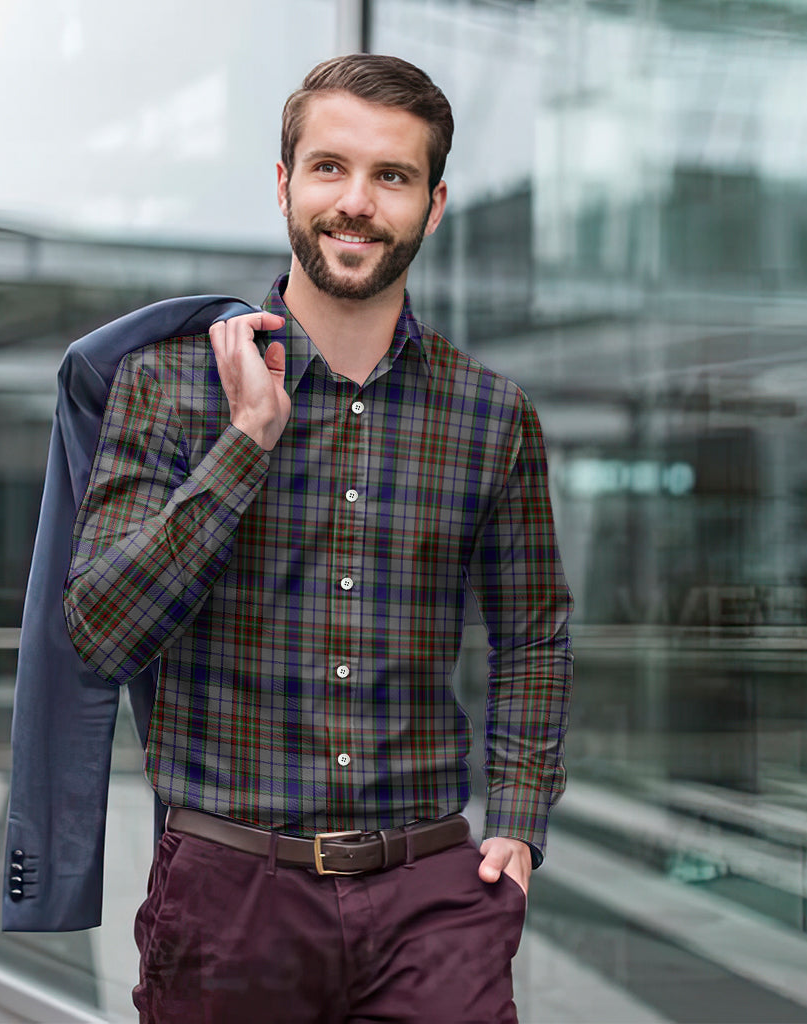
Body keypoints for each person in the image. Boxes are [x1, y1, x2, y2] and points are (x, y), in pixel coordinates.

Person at [64, 53, 572, 1024]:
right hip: (230, 899)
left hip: (433, 898)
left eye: (393, 176)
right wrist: (247, 440)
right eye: (331, 167)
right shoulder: (169, 387)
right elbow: (98, 633)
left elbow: (534, 633)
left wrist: (516, 817)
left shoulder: (490, 415)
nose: (357, 202)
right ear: (285, 182)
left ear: (434, 203)